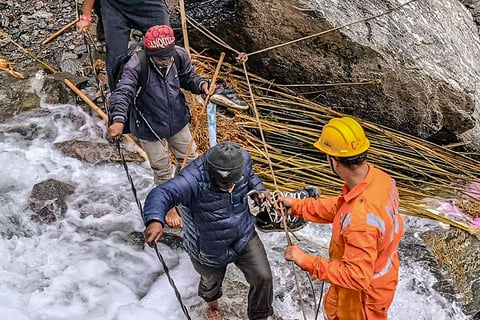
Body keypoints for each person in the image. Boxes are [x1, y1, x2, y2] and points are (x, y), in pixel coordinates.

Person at [278, 117, 405, 319]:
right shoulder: (380, 179)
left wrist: (306, 260)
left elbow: (356, 277)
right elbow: (342, 206)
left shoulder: (360, 222)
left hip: (362, 300)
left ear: (334, 161)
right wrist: (298, 206)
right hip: (380, 275)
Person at [143, 141, 274, 320]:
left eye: (232, 181)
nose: (228, 186)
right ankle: (213, 306)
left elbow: (251, 176)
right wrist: (154, 220)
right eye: (222, 182)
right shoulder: (192, 178)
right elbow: (162, 193)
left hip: (243, 234)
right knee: (211, 283)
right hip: (207, 245)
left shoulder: (243, 158)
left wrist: (259, 190)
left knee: (263, 277)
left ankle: (259, 316)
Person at [108, 25, 210, 228]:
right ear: (151, 54)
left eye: (168, 57)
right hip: (148, 125)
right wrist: (118, 120)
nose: (166, 62)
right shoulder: (136, 65)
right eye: (161, 59)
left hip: (177, 119)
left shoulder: (179, 55)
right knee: (162, 168)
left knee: (190, 161)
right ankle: (169, 206)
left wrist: (202, 85)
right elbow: (123, 93)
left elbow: (188, 77)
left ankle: (188, 196)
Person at [76, 0, 170, 90]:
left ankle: (167, 92)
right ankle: (119, 99)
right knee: (115, 62)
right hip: (114, 6)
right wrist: (86, 16)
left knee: (164, 49)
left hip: (150, 5)